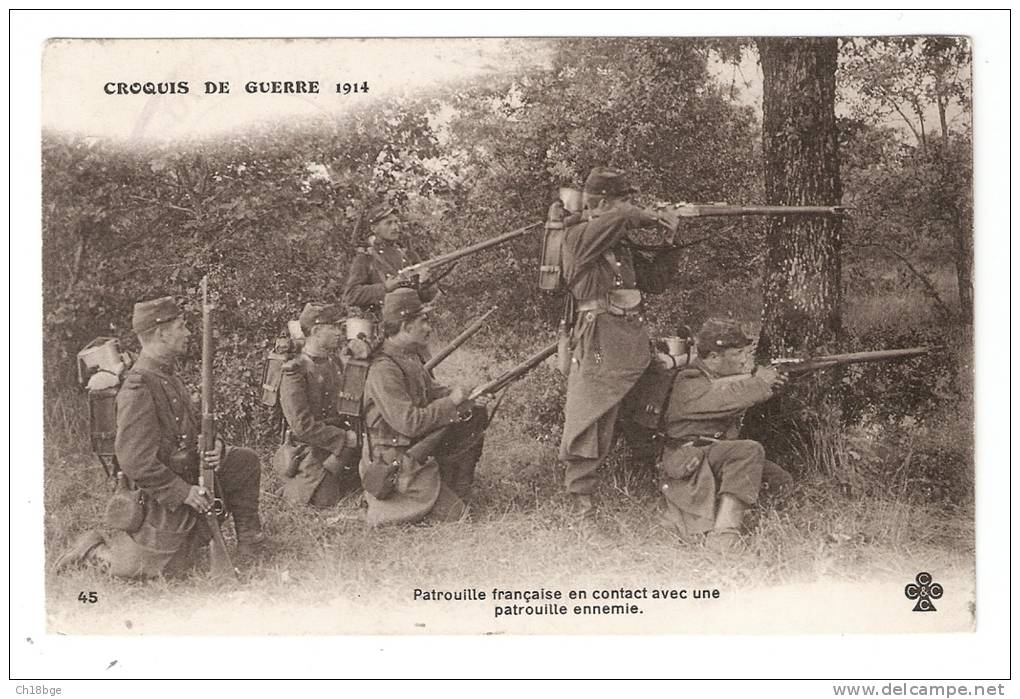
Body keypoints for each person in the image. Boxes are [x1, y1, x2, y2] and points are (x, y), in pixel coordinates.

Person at [54, 297, 266, 578]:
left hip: (190, 475)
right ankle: (95, 550)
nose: (188, 333)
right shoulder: (139, 386)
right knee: (166, 570)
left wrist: (215, 446)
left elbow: (193, 430)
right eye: (182, 327)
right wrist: (183, 492)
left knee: (244, 461)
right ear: (162, 333)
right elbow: (134, 461)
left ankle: (251, 543)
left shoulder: (168, 376)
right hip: (160, 496)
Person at [558, 167, 679, 517]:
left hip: (632, 338)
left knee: (653, 400)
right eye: (624, 198)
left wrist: (668, 238)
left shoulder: (618, 240)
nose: (630, 205)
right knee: (592, 414)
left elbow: (655, 282)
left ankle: (653, 472)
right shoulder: (577, 235)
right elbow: (621, 217)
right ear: (602, 203)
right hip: (600, 339)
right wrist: (647, 215)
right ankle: (580, 497)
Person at [657, 318, 794, 552]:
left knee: (780, 481)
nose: (744, 359)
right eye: (738, 353)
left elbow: (732, 394)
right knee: (749, 451)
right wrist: (760, 383)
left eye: (746, 352)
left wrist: (770, 386)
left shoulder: (715, 378)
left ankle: (721, 510)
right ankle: (723, 539)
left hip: (715, 457)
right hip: (690, 461)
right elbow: (724, 398)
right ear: (713, 358)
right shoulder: (688, 381)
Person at [359, 289, 486, 527]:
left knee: (474, 415)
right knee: (457, 518)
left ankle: (451, 488)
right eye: (423, 321)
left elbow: (432, 391)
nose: (428, 327)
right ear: (406, 326)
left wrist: (467, 397)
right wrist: (452, 402)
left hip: (412, 451)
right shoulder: (383, 368)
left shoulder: (408, 356)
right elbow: (409, 423)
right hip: (395, 462)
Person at [276, 302, 361, 507]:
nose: (339, 333)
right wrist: (343, 438)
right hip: (313, 447)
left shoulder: (334, 362)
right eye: (333, 328)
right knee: (325, 501)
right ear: (315, 331)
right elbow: (302, 427)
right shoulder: (295, 371)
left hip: (340, 443)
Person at [342, 204, 438, 318]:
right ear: (374, 229)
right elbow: (351, 295)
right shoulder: (366, 257)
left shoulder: (407, 254)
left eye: (396, 222)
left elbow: (427, 296)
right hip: (384, 324)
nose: (395, 227)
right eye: (389, 223)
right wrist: (385, 288)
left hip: (413, 320)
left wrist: (423, 282)